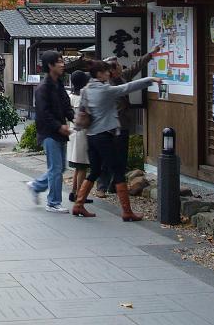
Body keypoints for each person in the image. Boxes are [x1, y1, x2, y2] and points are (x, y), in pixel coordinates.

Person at [71, 60, 160, 220]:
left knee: (96, 170)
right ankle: (127, 212)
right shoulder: (105, 90)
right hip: (104, 136)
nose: (109, 74)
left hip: (91, 136)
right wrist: (150, 80)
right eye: (106, 72)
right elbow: (126, 87)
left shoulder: (86, 89)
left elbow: (83, 111)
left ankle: (78, 205)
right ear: (99, 74)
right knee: (118, 171)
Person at [95, 45, 160, 198]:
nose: (120, 66)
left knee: (121, 158)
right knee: (107, 158)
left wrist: (151, 54)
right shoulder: (106, 85)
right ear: (111, 71)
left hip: (122, 125)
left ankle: (114, 186)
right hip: (109, 127)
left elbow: (136, 66)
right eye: (116, 65)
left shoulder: (123, 77)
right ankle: (101, 187)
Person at [26, 51, 74, 213]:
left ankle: (36, 185)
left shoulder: (59, 84)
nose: (62, 64)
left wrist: (74, 119)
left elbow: (66, 106)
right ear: (50, 65)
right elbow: (43, 113)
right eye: (59, 62)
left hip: (60, 131)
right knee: (56, 168)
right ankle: (53, 202)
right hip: (49, 133)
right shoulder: (43, 88)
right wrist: (59, 127)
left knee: (59, 169)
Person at [67, 70, 93, 205]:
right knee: (82, 165)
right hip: (82, 133)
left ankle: (74, 191)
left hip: (72, 131)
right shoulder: (84, 97)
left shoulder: (70, 96)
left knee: (78, 166)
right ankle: (79, 195)